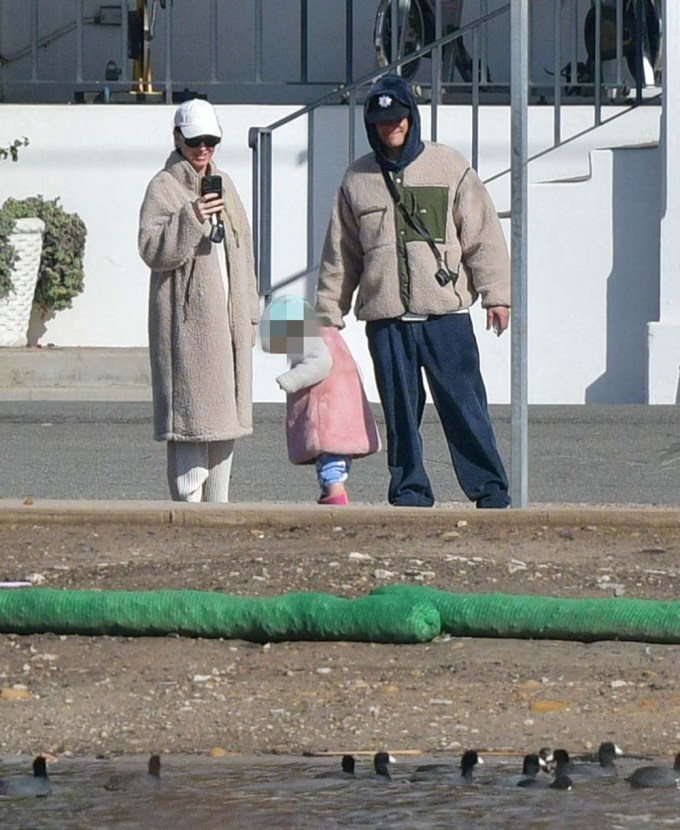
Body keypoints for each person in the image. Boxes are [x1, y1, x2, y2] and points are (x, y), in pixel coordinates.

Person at [315, 74, 510, 508]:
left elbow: (482, 234)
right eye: (383, 120)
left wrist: (496, 294)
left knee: (465, 408)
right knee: (401, 414)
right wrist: (328, 312)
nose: (392, 127)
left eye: (399, 117)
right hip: (387, 321)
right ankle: (409, 491)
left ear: (412, 117)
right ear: (372, 125)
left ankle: (491, 490)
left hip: (446, 317)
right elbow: (342, 252)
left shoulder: (450, 166)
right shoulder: (357, 179)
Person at [138, 98, 259, 502]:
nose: (202, 149)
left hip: (228, 324)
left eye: (210, 140)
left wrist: (249, 312)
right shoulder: (163, 187)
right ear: (177, 138)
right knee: (192, 420)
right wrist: (192, 216)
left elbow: (242, 250)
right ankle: (188, 509)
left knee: (227, 423)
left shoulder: (225, 183)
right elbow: (152, 250)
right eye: (194, 140)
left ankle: (220, 507)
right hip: (189, 328)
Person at [260, 295, 380, 505]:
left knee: (328, 455)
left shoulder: (310, 335)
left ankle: (334, 491)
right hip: (345, 408)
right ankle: (332, 490)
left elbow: (320, 363)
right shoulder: (330, 336)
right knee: (337, 455)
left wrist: (290, 379)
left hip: (326, 410)